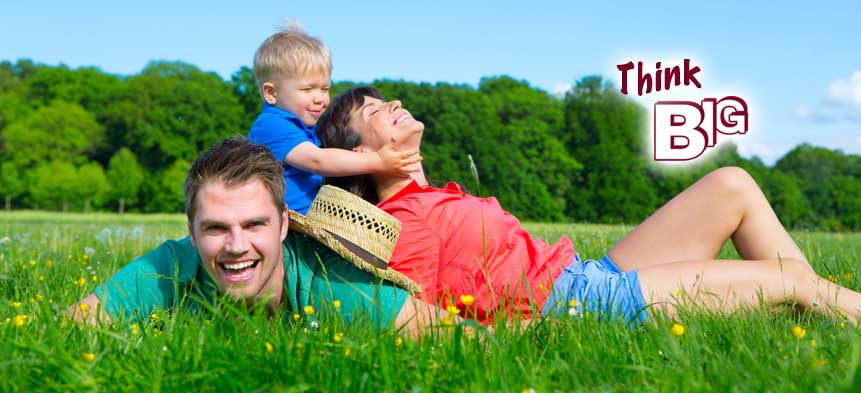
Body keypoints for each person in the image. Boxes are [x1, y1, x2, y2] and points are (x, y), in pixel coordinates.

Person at [315, 86, 861, 325]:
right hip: (583, 307)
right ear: (358, 153)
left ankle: (820, 314)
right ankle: (820, 303)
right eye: (378, 110)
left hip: (590, 275)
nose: (396, 104)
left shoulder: (433, 194)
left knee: (732, 184)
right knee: (786, 278)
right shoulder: (403, 225)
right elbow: (416, 316)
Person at [67, 136, 444, 332]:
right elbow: (68, 328)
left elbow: (464, 339)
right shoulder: (167, 269)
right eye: (215, 227)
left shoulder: (333, 284)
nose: (236, 246)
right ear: (191, 232)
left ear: (283, 223)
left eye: (253, 224)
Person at [247, 21, 421, 214]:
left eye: (324, 89)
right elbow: (317, 161)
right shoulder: (272, 125)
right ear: (271, 93)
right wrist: (378, 161)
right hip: (281, 225)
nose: (320, 99)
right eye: (307, 89)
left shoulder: (303, 128)